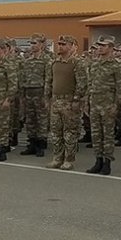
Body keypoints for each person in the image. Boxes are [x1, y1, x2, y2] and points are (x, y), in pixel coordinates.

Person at [45, 35, 87, 170]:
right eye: (59, 44)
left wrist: (76, 99)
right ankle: (57, 158)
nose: (60, 46)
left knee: (70, 132)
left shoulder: (77, 62)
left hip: (69, 101)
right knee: (56, 132)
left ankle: (69, 159)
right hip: (56, 100)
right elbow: (49, 81)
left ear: (71, 46)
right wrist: (47, 98)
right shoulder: (54, 62)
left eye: (63, 44)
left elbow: (82, 83)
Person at [85, 35, 121, 175]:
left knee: (107, 134)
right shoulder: (94, 64)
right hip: (95, 103)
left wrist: (116, 105)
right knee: (96, 134)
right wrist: (87, 102)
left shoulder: (116, 65)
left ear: (111, 48)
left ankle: (107, 162)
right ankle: (98, 160)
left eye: (103, 45)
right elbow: (90, 84)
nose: (100, 48)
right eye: (99, 45)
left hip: (108, 104)